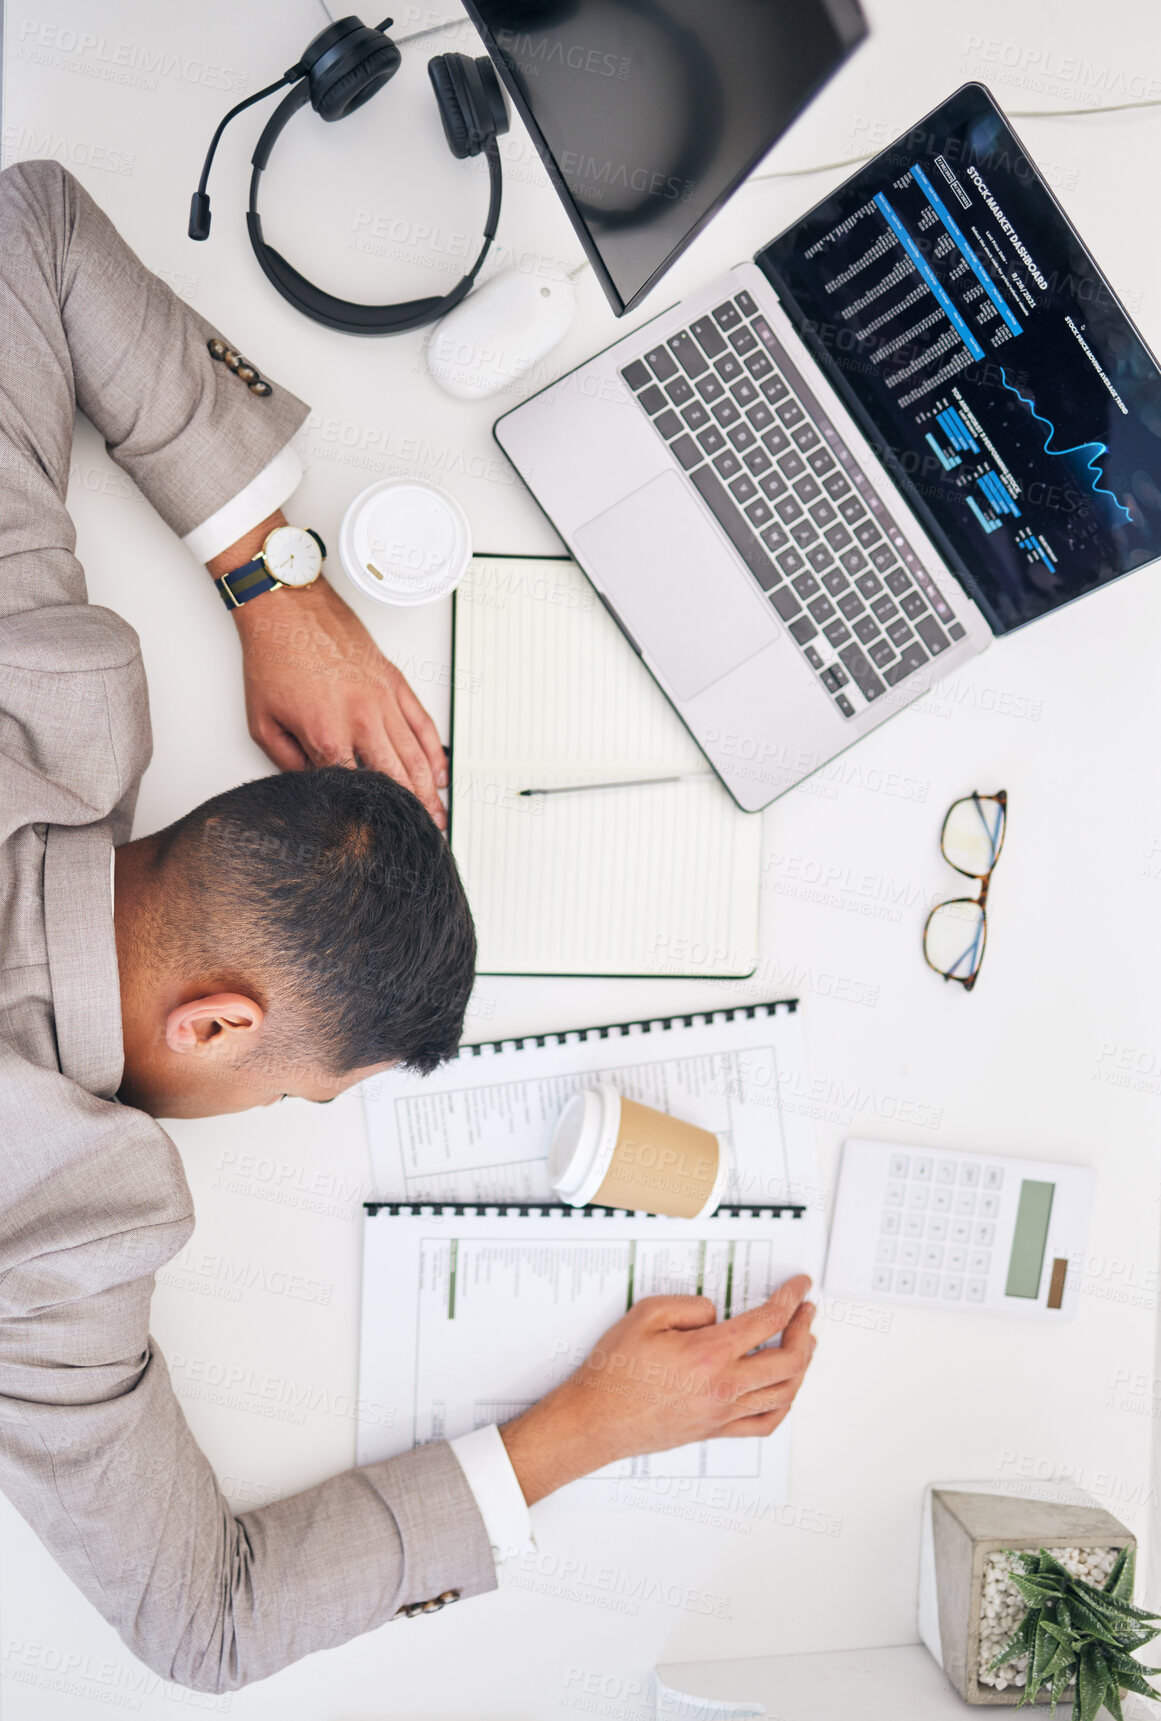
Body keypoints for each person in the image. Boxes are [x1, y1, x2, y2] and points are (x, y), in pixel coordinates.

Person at [0, 160, 818, 1693]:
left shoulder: (40, 684)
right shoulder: (56, 1234)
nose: (297, 1108)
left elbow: (29, 226)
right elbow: (203, 1624)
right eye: (311, 1086)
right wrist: (581, 1432)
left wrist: (265, 575)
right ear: (220, 1021)